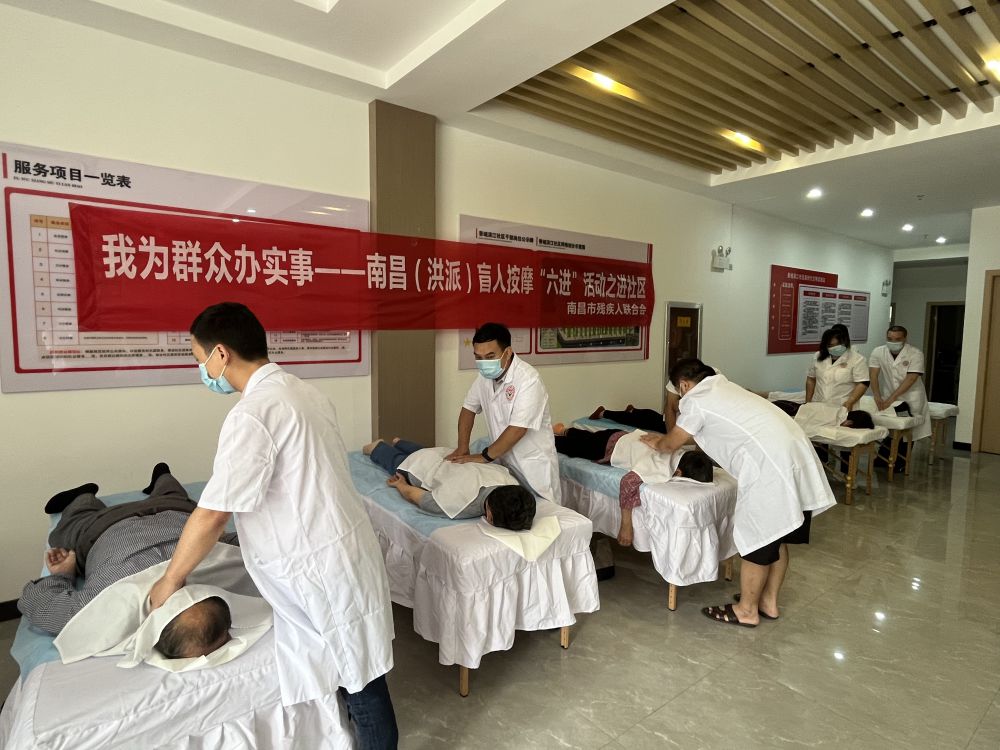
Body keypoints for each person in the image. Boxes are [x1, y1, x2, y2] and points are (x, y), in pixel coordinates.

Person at [147, 302, 397, 750]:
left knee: (362, 684)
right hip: (343, 550)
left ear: (221, 354)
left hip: (321, 566)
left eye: (199, 359)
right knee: (358, 670)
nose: (202, 371)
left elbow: (213, 512)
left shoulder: (253, 414)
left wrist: (171, 578)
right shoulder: (305, 392)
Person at [641, 359, 836, 627]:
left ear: (683, 385)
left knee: (758, 538)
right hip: (795, 456)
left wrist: (657, 442)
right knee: (778, 536)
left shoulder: (696, 400)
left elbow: (672, 443)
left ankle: (746, 610)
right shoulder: (725, 388)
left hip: (770, 468)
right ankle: (768, 602)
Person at [17, 463, 236, 637]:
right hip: (105, 525)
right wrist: (63, 575)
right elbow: (38, 602)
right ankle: (83, 497)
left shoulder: (223, 567)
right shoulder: (98, 609)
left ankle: (162, 477)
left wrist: (63, 574)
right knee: (70, 530)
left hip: (172, 510)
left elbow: (230, 536)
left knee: (174, 495)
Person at [446, 322, 561, 503]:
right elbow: (468, 409)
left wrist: (484, 456)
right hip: (502, 462)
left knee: (543, 513)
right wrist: (462, 447)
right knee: (509, 511)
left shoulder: (528, 379)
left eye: (490, 356)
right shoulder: (484, 378)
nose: (484, 363)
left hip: (532, 466)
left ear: (507, 352)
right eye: (479, 357)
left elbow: (518, 429)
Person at [553, 424, 714, 546]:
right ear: (678, 473)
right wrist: (626, 525)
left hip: (621, 435)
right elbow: (627, 482)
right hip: (606, 447)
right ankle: (555, 435)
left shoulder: (679, 451)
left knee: (587, 437)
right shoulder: (660, 465)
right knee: (568, 447)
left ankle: (565, 430)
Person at [363, 437, 536, 529]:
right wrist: (401, 484)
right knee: (398, 463)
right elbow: (415, 496)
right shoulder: (460, 505)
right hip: (420, 466)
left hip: (448, 456)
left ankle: (399, 442)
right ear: (490, 516)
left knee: (426, 452)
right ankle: (378, 446)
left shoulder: (510, 481)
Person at [869, 325, 932, 468]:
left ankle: (900, 462)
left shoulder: (915, 354)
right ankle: (883, 458)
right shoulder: (878, 352)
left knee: (905, 429)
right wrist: (876, 395)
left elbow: (911, 379)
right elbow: (873, 374)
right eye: (890, 339)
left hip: (910, 397)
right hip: (888, 394)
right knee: (891, 427)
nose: (893, 342)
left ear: (905, 338)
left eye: (897, 339)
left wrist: (891, 399)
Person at [805, 327, 869, 410]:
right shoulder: (818, 356)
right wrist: (807, 402)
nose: (835, 348)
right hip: (818, 404)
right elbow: (811, 379)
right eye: (831, 345)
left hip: (843, 406)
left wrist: (851, 401)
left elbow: (863, 383)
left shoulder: (857, 359)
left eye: (838, 344)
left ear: (844, 342)